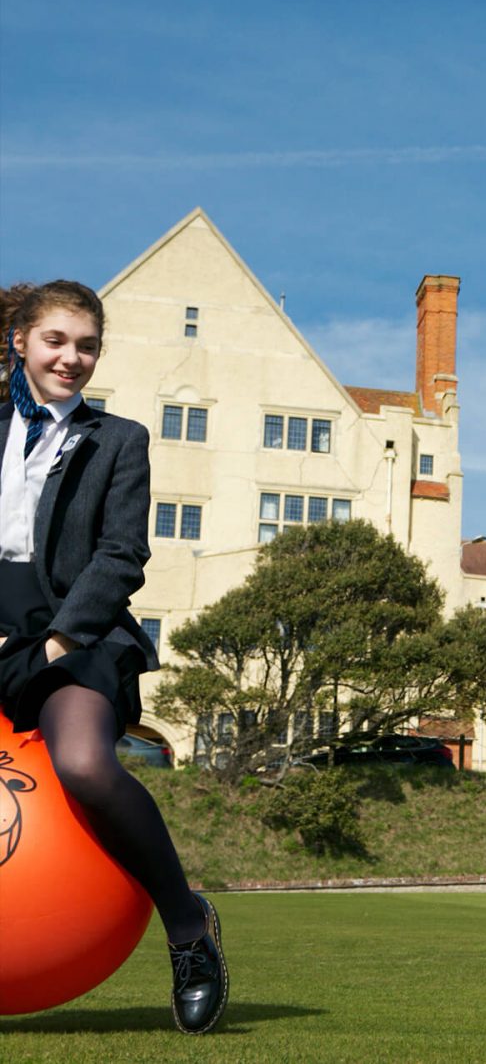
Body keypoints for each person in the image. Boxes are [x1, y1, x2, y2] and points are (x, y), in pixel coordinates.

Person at [0, 281, 229, 1033]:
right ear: (21, 342)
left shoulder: (119, 439)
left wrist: (61, 639)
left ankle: (189, 927)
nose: (72, 357)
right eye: (56, 340)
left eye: (87, 345)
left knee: (88, 766)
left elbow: (124, 552)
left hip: (80, 641)